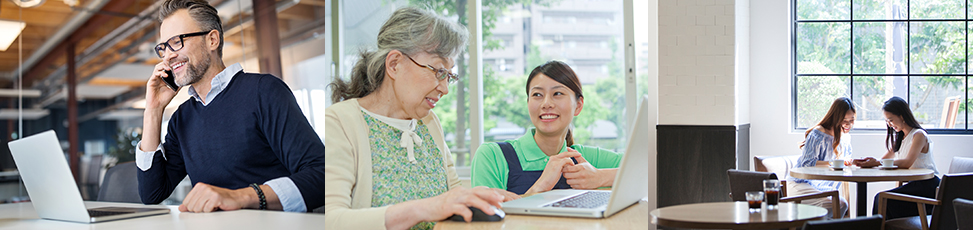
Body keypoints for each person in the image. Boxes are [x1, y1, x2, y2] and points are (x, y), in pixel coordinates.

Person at [324, 7, 519, 230]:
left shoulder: (429, 122)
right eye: (438, 71)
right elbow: (331, 220)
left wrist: (482, 199)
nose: (445, 88)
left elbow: (452, 193)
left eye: (449, 75)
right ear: (395, 64)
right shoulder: (340, 121)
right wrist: (424, 208)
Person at [137, 0, 326, 213]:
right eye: (163, 48)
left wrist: (240, 197)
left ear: (212, 39)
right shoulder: (182, 118)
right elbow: (152, 194)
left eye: (177, 42)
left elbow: (322, 175)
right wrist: (153, 110)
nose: (168, 55)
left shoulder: (264, 91)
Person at [470, 61, 623, 195]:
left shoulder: (584, 158)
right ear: (528, 102)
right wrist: (541, 187)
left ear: (578, 105)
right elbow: (486, 219)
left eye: (557, 93)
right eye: (537, 95)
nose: (546, 104)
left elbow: (645, 169)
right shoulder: (493, 156)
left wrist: (600, 177)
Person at [854, 96, 940, 220]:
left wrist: (877, 162)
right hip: (915, 185)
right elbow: (884, 159)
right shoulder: (900, 138)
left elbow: (906, 163)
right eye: (887, 121)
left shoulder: (919, 135)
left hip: (928, 186)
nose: (889, 124)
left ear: (902, 116)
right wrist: (868, 162)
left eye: (891, 120)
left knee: (882, 199)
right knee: (882, 199)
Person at [789, 97, 855, 218]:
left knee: (841, 204)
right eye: (844, 120)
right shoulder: (819, 133)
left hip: (820, 187)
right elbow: (806, 163)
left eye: (851, 120)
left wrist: (851, 162)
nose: (848, 124)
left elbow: (842, 163)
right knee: (839, 204)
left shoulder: (845, 137)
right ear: (835, 117)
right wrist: (833, 163)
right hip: (801, 184)